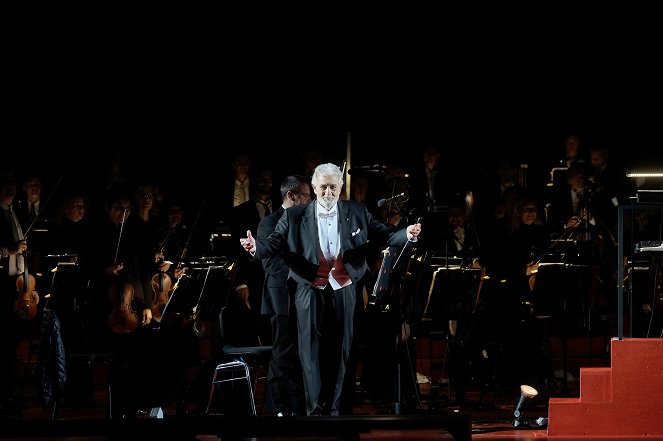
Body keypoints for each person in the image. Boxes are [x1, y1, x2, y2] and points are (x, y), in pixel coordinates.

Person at [240, 163, 422, 416]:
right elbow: (272, 245)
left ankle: (336, 409)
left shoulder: (357, 211)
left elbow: (387, 235)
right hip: (309, 287)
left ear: (340, 188)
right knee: (308, 350)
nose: (328, 192)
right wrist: (255, 248)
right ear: (314, 188)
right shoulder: (294, 215)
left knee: (343, 350)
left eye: (333, 187)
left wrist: (408, 234)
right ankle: (313, 410)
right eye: (323, 187)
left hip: (344, 286)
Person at [257, 174, 311, 417]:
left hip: (303, 298)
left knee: (302, 352)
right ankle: (278, 407)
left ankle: (298, 407)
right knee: (282, 353)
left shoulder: (306, 221)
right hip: (281, 298)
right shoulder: (270, 222)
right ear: (291, 196)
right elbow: (271, 264)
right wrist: (301, 277)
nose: (311, 201)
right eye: (307, 196)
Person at [0, 171, 30, 416]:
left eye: (13, 183)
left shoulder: (16, 210)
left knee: (10, 344)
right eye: (5, 183)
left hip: (15, 286)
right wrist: (8, 249)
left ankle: (7, 395)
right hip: (0, 287)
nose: (10, 187)